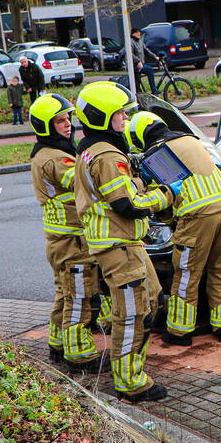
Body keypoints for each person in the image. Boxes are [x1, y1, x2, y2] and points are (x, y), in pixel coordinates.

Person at [73, 81, 179, 402]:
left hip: (126, 243)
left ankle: (131, 369)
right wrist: (165, 194)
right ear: (103, 117)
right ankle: (130, 382)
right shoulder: (106, 155)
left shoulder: (96, 148)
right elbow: (126, 204)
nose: (124, 119)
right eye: (119, 114)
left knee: (152, 301)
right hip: (119, 245)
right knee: (132, 313)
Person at [124, 111, 221, 346]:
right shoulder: (190, 139)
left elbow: (165, 198)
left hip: (198, 215)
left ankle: (179, 332)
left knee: (188, 274)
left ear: (139, 137)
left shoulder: (156, 155)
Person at [28, 93, 104, 371]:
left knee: (64, 294)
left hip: (60, 239)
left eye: (68, 119)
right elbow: (84, 180)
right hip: (71, 240)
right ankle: (80, 356)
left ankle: (58, 344)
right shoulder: (57, 159)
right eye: (59, 121)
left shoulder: (46, 153)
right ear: (45, 126)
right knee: (79, 298)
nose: (67, 125)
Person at [130, 28, 161, 95]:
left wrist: (155, 57)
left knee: (137, 83)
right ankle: (154, 90)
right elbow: (130, 54)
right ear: (133, 34)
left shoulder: (140, 42)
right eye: (137, 33)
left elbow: (147, 50)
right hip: (135, 66)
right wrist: (138, 61)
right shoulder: (131, 42)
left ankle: (140, 92)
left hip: (141, 64)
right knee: (150, 70)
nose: (139, 34)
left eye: (139, 32)